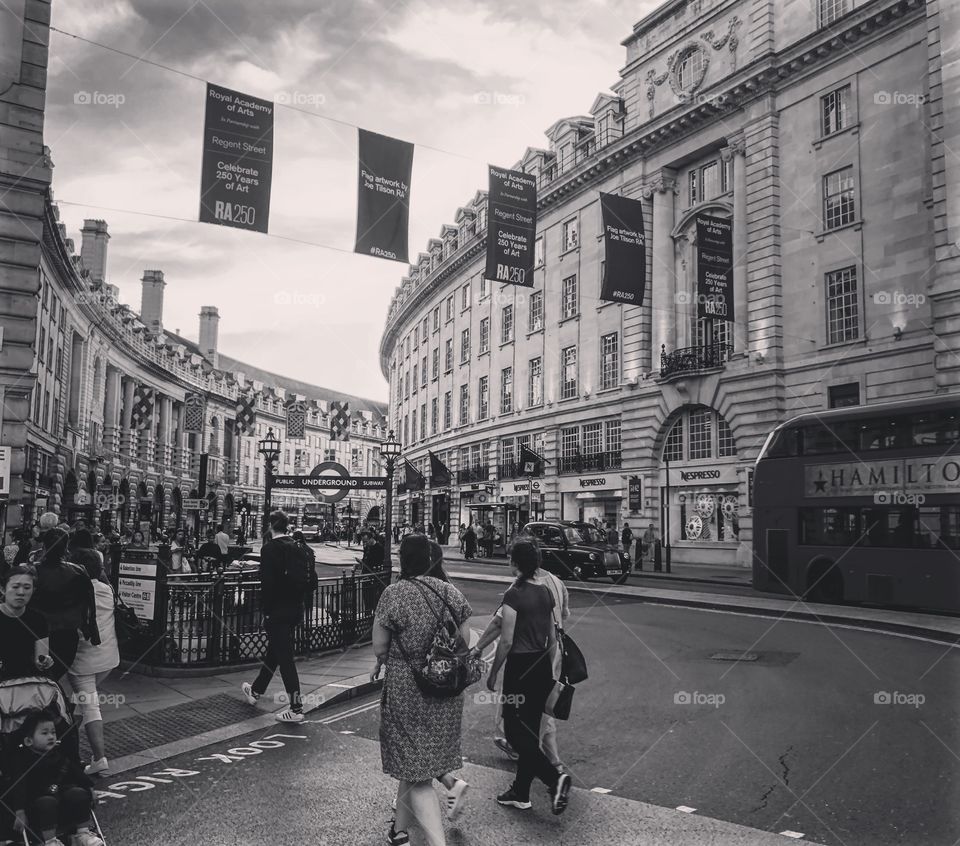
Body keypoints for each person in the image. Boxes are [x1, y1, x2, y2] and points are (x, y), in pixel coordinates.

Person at [371, 534, 472, 846]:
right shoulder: (452, 594)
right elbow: (464, 643)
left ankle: (437, 843)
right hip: (445, 690)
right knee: (415, 763)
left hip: (407, 688)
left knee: (416, 772)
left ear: (406, 559)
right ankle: (399, 832)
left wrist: (398, 656)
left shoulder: (395, 593)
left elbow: (379, 646)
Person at [485, 540, 571, 815]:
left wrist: (494, 671)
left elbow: (507, 640)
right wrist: (550, 672)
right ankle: (521, 792)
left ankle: (555, 779)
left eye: (510, 559)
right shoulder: (546, 591)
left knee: (512, 728)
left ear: (517, 563)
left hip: (519, 667)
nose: (508, 563)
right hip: (541, 666)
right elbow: (551, 640)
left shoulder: (515, 594)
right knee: (531, 731)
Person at [241, 511, 308, 723]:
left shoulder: (269, 549)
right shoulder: (298, 548)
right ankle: (256, 691)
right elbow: (307, 580)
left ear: (271, 526)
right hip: (295, 609)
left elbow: (267, 585)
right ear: (287, 526)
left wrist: (267, 612)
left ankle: (296, 709)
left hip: (277, 611)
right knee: (275, 653)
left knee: (285, 659)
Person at [8, 709, 104, 846]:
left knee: (78, 793)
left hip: (61, 794)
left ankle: (82, 834)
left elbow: (75, 772)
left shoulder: (58, 755)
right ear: (29, 741)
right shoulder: (22, 761)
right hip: (37, 802)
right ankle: (50, 841)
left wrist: (89, 788)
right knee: (47, 802)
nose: (51, 736)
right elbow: (19, 786)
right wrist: (19, 811)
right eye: (45, 733)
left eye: (53, 732)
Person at [67, 551, 119, 778]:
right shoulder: (107, 589)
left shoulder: (74, 594)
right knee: (79, 703)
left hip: (83, 661)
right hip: (108, 659)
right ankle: (64, 744)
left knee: (89, 706)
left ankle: (99, 759)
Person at [31, 529, 100, 682]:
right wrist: (91, 629)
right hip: (67, 632)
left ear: (44, 545)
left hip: (39, 633)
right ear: (66, 546)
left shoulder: (33, 571)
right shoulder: (78, 570)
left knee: (40, 676)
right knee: (54, 675)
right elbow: (89, 600)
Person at [0, 565, 55, 680]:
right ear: (3, 589)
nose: (21, 592)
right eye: (15, 587)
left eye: (27, 587)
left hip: (26, 683)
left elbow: (41, 657)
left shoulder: (38, 620)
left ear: (33, 591)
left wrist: (44, 662)